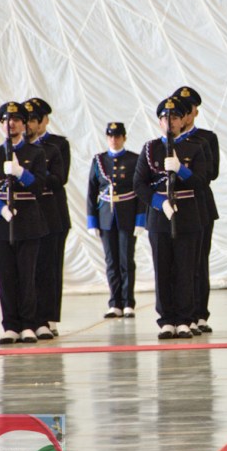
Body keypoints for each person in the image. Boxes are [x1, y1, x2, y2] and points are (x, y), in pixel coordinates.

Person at [134, 98, 207, 339]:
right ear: (159, 121)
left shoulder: (195, 147)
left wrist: (180, 169)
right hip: (159, 217)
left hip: (187, 215)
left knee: (186, 269)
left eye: (175, 117)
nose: (170, 122)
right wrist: (159, 202)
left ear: (182, 120)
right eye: (166, 118)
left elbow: (201, 183)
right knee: (162, 269)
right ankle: (166, 319)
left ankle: (185, 319)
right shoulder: (149, 148)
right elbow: (139, 184)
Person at [0, 102, 48, 344]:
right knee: (6, 276)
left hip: (28, 221)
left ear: (24, 124)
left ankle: (28, 324)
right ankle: (10, 325)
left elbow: (40, 187)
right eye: (7, 120)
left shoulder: (36, 153)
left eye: (17, 119)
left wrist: (20, 173)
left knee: (26, 275)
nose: (12, 124)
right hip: (1, 223)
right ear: (2, 124)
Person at [87, 123, 146, 319]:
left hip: (127, 215)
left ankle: (128, 302)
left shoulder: (134, 159)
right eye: (111, 136)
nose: (114, 139)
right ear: (107, 137)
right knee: (111, 261)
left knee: (126, 260)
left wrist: (140, 219)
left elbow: (139, 191)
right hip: (106, 217)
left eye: (118, 136)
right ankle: (115, 303)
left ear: (124, 137)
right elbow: (92, 191)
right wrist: (92, 221)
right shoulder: (99, 161)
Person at [173, 86, 219, 334]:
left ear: (195, 113)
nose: (183, 116)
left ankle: (200, 313)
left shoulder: (206, 139)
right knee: (175, 263)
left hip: (199, 205)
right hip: (172, 206)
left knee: (198, 261)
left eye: (186, 111)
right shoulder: (165, 140)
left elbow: (211, 173)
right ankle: (180, 313)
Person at [26, 98, 70, 337]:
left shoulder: (57, 145)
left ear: (44, 121)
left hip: (52, 213)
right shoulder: (17, 147)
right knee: (29, 267)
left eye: (35, 119)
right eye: (28, 119)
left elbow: (59, 178)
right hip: (27, 213)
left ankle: (49, 316)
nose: (31, 124)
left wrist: (33, 179)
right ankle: (30, 316)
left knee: (50, 267)